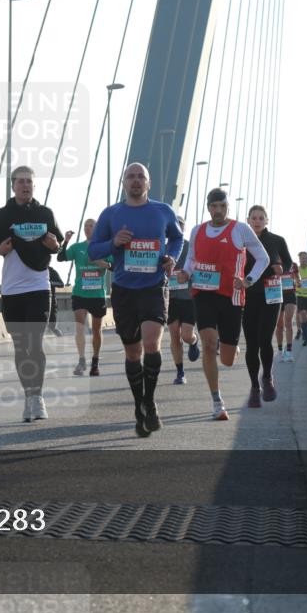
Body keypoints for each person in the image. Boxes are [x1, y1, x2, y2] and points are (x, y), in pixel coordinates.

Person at [88, 163, 183, 437]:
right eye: (131, 176)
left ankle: (150, 402)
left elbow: (177, 239)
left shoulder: (163, 211)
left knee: (152, 343)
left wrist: (172, 258)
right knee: (133, 353)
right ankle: (138, 405)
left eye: (141, 176)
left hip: (153, 287)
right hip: (123, 290)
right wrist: (114, 243)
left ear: (148, 184)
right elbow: (94, 249)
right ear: (123, 183)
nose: (136, 180)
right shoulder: (111, 214)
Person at [0, 166, 63, 422]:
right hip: (12, 291)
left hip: (38, 287)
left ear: (34, 186)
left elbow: (57, 245)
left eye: (30, 182)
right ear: (13, 186)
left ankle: (38, 397)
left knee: (34, 342)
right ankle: (28, 396)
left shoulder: (45, 213)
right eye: (21, 182)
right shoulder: (1, 216)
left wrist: (55, 246)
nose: (25, 186)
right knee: (22, 347)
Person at [174, 188, 269, 421]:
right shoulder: (198, 230)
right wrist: (186, 273)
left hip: (231, 297)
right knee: (208, 343)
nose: (218, 210)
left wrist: (247, 281)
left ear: (228, 207)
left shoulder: (240, 229)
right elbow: (191, 258)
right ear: (208, 207)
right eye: (214, 206)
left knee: (226, 359)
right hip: (203, 293)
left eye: (222, 206)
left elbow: (263, 258)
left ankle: (231, 347)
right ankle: (217, 401)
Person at [241, 205, 293, 407]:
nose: (257, 221)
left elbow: (288, 262)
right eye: (253, 217)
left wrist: (281, 268)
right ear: (248, 220)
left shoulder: (277, 241)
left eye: (261, 218)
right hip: (249, 295)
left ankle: (268, 378)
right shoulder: (242, 241)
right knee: (252, 343)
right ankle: (255, 387)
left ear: (266, 221)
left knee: (264, 339)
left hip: (271, 295)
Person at [58, 218, 111, 377]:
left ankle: (95, 362)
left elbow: (113, 266)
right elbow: (61, 258)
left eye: (91, 226)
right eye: (86, 226)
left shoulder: (104, 247)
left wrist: (102, 263)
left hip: (97, 294)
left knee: (96, 330)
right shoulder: (77, 247)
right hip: (80, 293)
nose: (88, 228)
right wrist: (65, 241)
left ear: (97, 229)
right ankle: (81, 360)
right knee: (80, 328)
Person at [166, 216, 200, 385]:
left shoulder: (191, 248)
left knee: (186, 335)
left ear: (184, 228)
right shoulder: (162, 248)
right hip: (170, 298)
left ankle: (194, 341)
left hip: (188, 297)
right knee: (174, 335)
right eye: (174, 226)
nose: (176, 228)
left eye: (180, 226)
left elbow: (200, 268)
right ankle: (180, 372)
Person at [275, 262, 298, 362]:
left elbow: (298, 279)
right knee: (279, 325)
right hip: (276, 294)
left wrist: (297, 280)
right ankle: (280, 352)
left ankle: (289, 351)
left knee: (288, 322)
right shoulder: (273, 264)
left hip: (290, 295)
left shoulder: (293, 265)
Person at [46, 265, 65, 337]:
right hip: (37, 300)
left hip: (51, 301)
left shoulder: (52, 271)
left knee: (52, 326)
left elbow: (61, 284)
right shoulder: (33, 270)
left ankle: (60, 337)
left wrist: (49, 283)